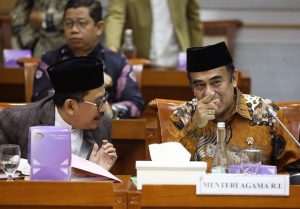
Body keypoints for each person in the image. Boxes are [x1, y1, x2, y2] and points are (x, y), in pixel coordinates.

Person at [167, 41, 300, 173]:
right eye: (200, 85)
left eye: (216, 82)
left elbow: (292, 171)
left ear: (234, 78)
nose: (209, 93)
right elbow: (169, 171)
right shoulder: (182, 117)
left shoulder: (265, 112)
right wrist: (194, 126)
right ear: (192, 88)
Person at [0, 56, 117, 171]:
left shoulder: (102, 123)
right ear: (70, 106)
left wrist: (96, 172)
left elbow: (96, 182)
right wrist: (34, 168)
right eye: (98, 103)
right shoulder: (17, 120)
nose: (103, 109)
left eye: (104, 99)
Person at [32, 0, 144, 119]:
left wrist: (109, 110)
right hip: (61, 131)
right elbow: (40, 100)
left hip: (104, 132)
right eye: (68, 23)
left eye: (82, 23)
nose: (74, 29)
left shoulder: (117, 62)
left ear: (99, 27)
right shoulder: (50, 60)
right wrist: (84, 80)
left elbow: (135, 103)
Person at [104, 0, 203, 68]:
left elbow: (193, 19)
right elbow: (115, 16)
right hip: (141, 61)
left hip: (179, 61)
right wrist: (112, 48)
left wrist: (197, 57)